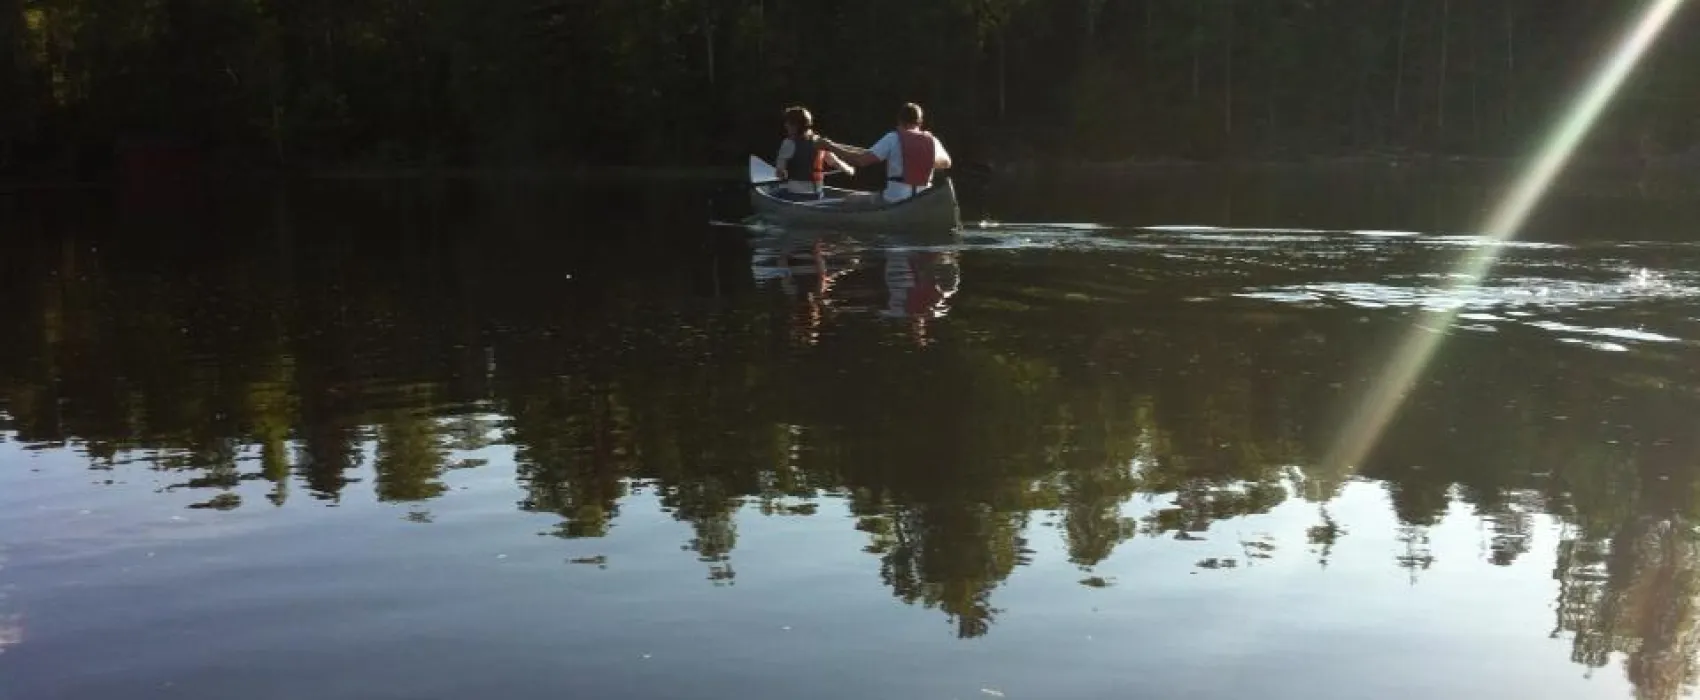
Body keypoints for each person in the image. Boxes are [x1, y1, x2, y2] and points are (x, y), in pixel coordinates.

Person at [819, 103, 952, 203]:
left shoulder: (892, 138)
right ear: (920, 122)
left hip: (895, 198)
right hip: (923, 198)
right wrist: (921, 158)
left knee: (851, 199)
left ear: (899, 120)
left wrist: (830, 146)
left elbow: (861, 161)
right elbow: (947, 163)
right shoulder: (932, 140)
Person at [774, 106, 853, 201]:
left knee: (776, 192)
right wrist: (850, 170)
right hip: (817, 195)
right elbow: (836, 163)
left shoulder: (788, 143)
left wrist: (783, 174)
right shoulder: (820, 142)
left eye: (788, 123)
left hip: (796, 195)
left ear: (795, 125)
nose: (786, 125)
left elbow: (780, 173)